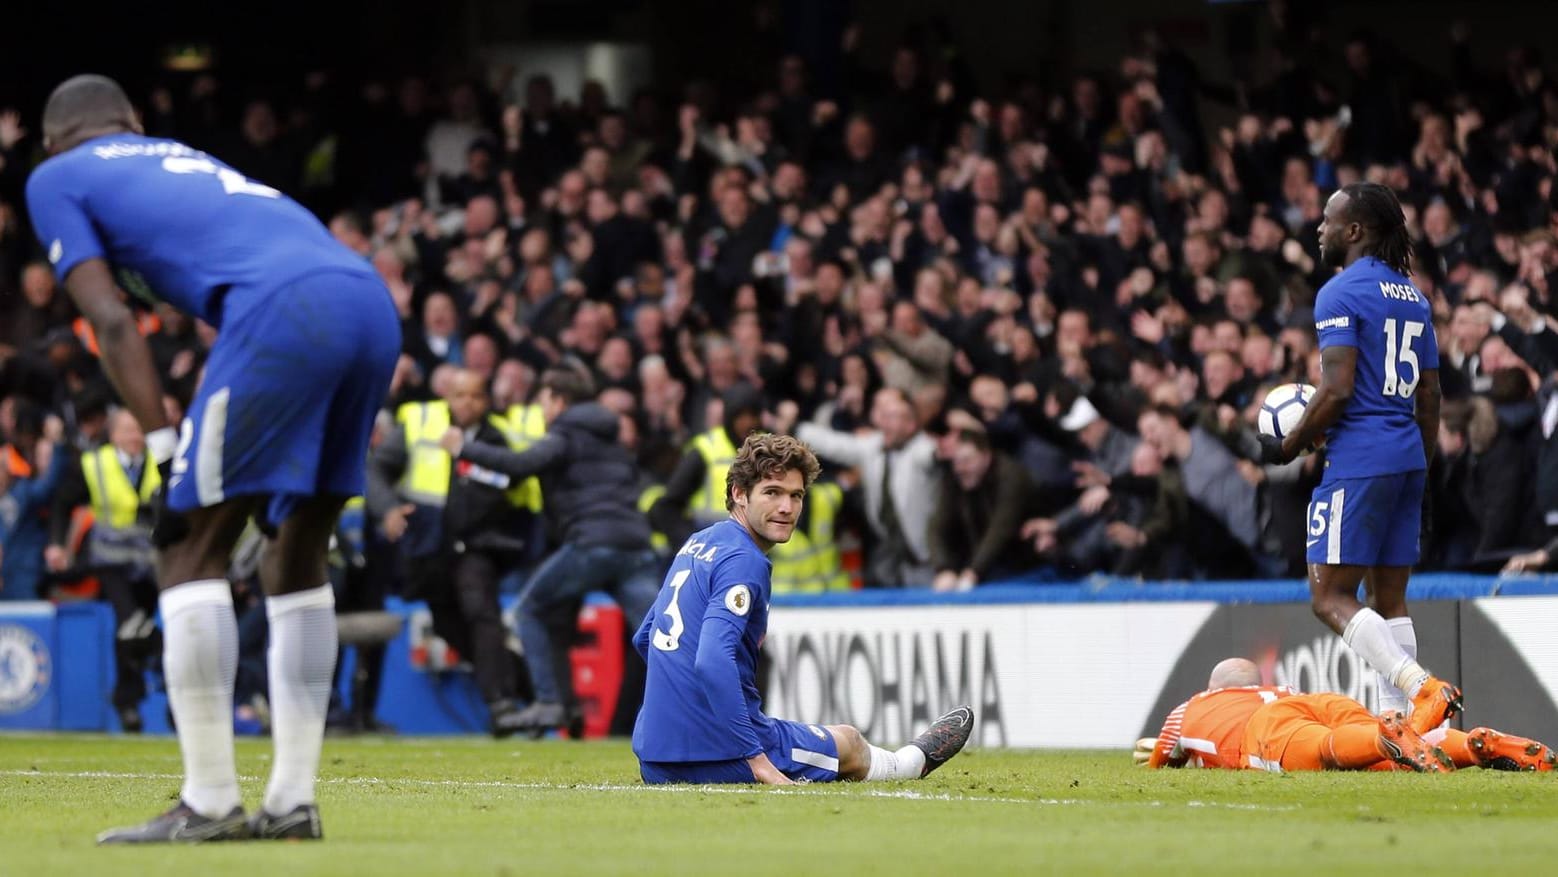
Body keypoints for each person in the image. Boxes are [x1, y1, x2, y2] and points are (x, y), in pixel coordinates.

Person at [26, 75, 400, 843]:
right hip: (367, 299)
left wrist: (164, 445)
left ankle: (209, 800)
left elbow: (111, 321)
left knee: (186, 545)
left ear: (52, 138)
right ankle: (292, 801)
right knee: (296, 557)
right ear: (131, 121)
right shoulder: (177, 156)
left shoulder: (57, 175)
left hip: (282, 307)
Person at [632, 432, 974, 784]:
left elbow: (646, 638)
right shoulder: (744, 558)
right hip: (722, 752)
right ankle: (910, 764)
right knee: (850, 742)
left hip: (655, 757)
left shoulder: (697, 543)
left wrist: (679, 710)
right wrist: (756, 758)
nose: (786, 507)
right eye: (772, 492)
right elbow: (712, 659)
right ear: (738, 493)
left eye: (796, 496)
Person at [1258, 181, 1459, 735]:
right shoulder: (1413, 296)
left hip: (1360, 459)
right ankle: (1412, 731)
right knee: (1389, 597)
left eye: (1327, 220)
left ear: (1354, 231)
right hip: (1406, 456)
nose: (1318, 229)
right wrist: (1416, 466)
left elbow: (1338, 390)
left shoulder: (1340, 293)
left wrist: (1288, 444)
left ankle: (1421, 688)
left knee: (1329, 595)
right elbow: (1431, 395)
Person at [441, 366, 661, 736]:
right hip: (636, 546)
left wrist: (462, 448)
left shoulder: (565, 434)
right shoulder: (613, 439)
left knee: (530, 609)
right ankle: (703, 707)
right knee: (662, 635)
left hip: (592, 545)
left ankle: (548, 702)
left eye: (544, 402)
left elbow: (520, 465)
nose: (542, 411)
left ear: (559, 400)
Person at [366, 368, 534, 735]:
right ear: (448, 398)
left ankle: (501, 705)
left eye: (475, 396)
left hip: (476, 546)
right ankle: (527, 685)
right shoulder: (420, 424)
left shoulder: (498, 440)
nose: (467, 403)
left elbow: (516, 490)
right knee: (448, 625)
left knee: (481, 613)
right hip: (430, 549)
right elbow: (376, 470)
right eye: (460, 395)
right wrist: (388, 509)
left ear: (486, 401)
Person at [1142, 658, 1554, 774]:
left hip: (1264, 732)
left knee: (1328, 752)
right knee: (1390, 757)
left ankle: (1388, 736)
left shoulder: (1191, 706)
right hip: (1313, 703)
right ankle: (1472, 745)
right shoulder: (1278, 689)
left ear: (1215, 687)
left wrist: (1157, 756)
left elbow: (1163, 758)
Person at [45, 409, 162, 731]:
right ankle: (148, 682)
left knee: (136, 628)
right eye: (127, 430)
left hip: (149, 562)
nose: (134, 437)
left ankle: (129, 697)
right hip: (110, 561)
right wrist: (56, 543)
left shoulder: (158, 461)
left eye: (139, 430)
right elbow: (62, 503)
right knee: (129, 622)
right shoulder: (94, 463)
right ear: (113, 434)